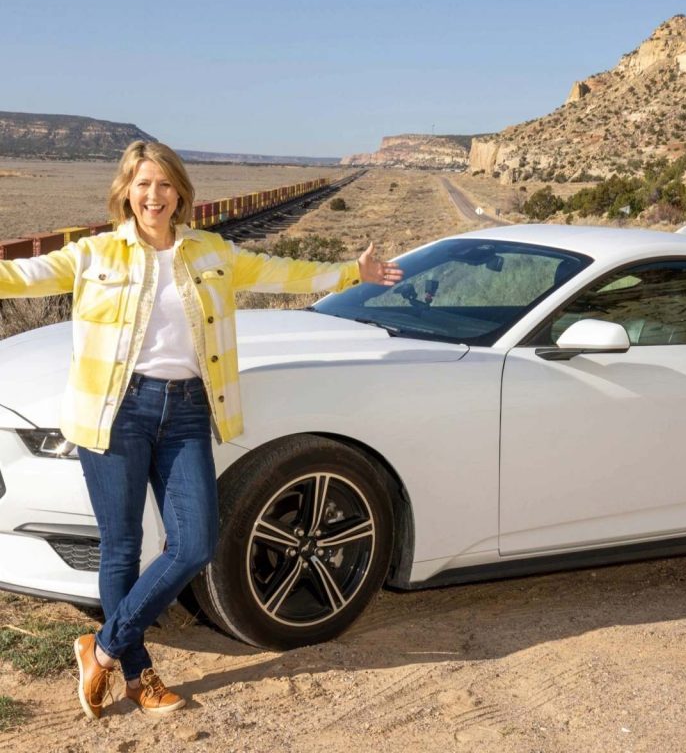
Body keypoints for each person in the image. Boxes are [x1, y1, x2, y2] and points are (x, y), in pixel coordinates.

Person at [0, 141, 403, 718]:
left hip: (187, 409)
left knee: (194, 544)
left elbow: (282, 272)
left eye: (164, 184)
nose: (154, 195)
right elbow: (20, 275)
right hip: (115, 410)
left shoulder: (210, 251)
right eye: (143, 184)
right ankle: (137, 675)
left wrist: (350, 272)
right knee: (122, 548)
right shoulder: (93, 253)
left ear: (181, 192)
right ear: (126, 192)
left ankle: (103, 647)